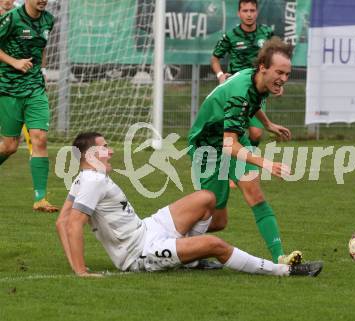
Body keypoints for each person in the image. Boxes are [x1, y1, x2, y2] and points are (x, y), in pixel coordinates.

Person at [56, 132, 323, 278]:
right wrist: (80, 271)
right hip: (140, 253)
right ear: (91, 154)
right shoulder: (93, 180)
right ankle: (284, 271)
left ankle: (188, 260)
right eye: (104, 147)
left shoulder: (84, 178)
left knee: (207, 198)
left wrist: (73, 266)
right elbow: (74, 224)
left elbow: (61, 222)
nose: (111, 150)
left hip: (147, 229)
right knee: (215, 245)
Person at [189, 37, 300, 264]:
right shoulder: (240, 94)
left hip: (230, 139)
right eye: (280, 73)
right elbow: (230, 145)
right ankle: (179, 243)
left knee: (255, 194)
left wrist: (268, 124)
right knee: (218, 221)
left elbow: (254, 101)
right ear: (263, 68)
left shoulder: (258, 79)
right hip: (208, 146)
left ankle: (280, 257)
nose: (283, 79)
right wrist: (267, 163)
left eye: (287, 74)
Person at [0, 0, 57, 212]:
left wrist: (41, 72)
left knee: (39, 138)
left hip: (35, 88)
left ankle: (40, 199)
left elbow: (40, 49)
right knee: (9, 146)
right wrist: (14, 62)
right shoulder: (12, 18)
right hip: (8, 89)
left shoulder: (48, 20)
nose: (43, 0)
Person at [211, 0, 274, 150]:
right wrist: (220, 75)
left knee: (256, 134)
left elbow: (274, 59)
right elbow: (214, 58)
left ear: (257, 12)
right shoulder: (231, 36)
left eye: (252, 10)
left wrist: (276, 82)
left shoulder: (266, 33)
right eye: (245, 11)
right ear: (239, 13)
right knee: (233, 131)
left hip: (258, 89)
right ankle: (240, 160)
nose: (249, 14)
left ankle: (246, 156)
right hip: (236, 89)